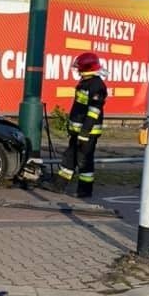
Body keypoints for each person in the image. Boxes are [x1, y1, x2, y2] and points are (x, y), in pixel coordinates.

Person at [47, 51, 107, 198]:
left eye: (79, 67)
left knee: (84, 161)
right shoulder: (85, 83)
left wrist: (85, 133)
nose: (78, 70)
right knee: (70, 157)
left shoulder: (97, 86)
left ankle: (85, 191)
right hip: (78, 132)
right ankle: (59, 186)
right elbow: (78, 109)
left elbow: (93, 112)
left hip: (87, 133)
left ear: (87, 68)